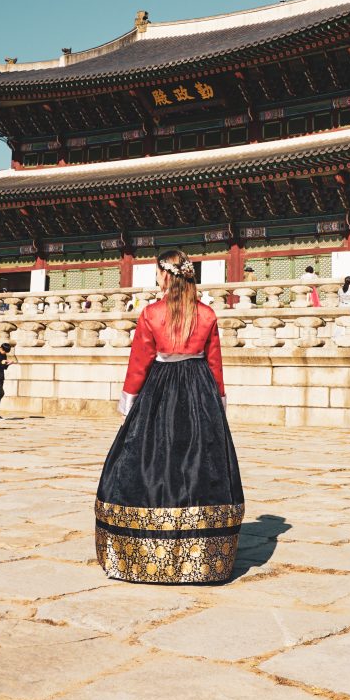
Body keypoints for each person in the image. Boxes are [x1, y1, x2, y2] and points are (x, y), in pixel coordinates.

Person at [95, 248, 243, 584]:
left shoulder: (151, 313)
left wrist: (129, 403)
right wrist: (218, 404)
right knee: (198, 462)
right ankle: (202, 555)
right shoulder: (206, 315)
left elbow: (140, 361)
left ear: (165, 275)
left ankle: (142, 553)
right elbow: (215, 363)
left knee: (151, 458)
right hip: (199, 392)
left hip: (159, 389)